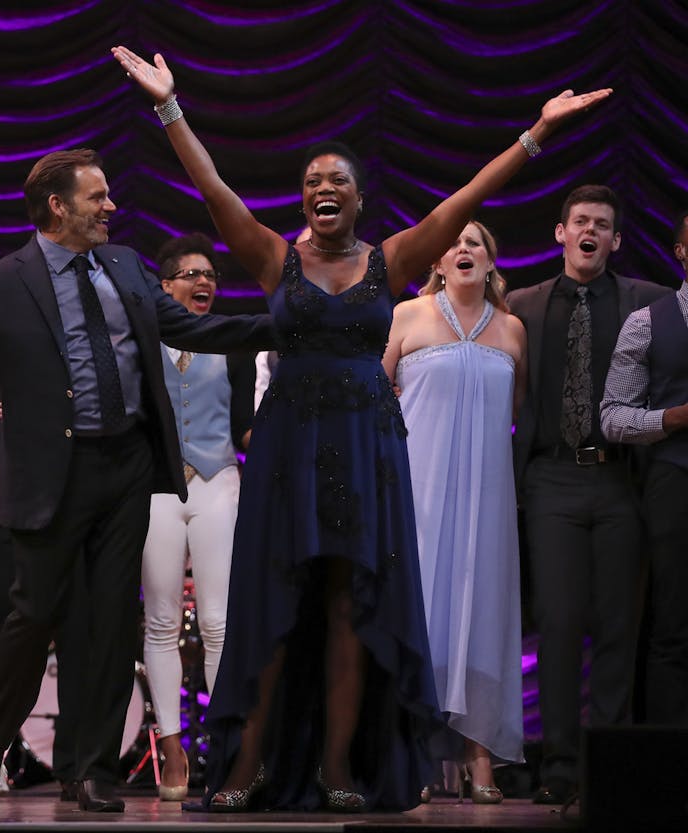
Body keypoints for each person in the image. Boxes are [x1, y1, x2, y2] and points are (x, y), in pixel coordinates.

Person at [112, 44, 609, 811]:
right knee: (275, 601)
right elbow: (213, 189)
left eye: (336, 180)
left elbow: (465, 195)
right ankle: (247, 761)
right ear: (303, 199)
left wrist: (536, 132)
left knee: (351, 602)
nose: (322, 187)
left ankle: (339, 762)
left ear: (358, 197)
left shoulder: (391, 260)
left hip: (367, 448)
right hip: (288, 450)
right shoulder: (276, 259)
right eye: (311, 181)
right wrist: (169, 106)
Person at [0, 148, 276, 813]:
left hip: (125, 466)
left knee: (112, 623)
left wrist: (287, 326)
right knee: (30, 616)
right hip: (52, 473)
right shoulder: (3, 280)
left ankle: (93, 770)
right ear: (58, 205)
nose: (111, 207)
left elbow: (187, 326)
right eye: (98, 197)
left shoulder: (126, 265)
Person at [506, 185, 670, 805]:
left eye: (602, 224)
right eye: (581, 222)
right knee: (558, 623)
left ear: (616, 240)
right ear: (560, 232)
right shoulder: (522, 304)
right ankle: (561, 767)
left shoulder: (648, 304)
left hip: (620, 479)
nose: (590, 232)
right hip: (550, 477)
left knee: (617, 627)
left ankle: (611, 767)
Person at [383, 221, 527, 802]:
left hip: (486, 496)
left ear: (491, 263)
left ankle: (479, 753)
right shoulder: (405, 317)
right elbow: (375, 392)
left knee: (483, 613)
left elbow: (513, 409)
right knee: (421, 610)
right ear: (436, 262)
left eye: (477, 243)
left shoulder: (514, 330)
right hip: (418, 486)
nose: (463, 248)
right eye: (455, 242)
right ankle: (409, 751)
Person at [140, 233, 254, 801]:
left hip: (217, 482)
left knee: (219, 621)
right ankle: (174, 749)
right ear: (164, 287)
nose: (203, 281)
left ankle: (229, 749)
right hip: (157, 487)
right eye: (189, 274)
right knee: (160, 622)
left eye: (209, 274)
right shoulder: (142, 342)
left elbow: (246, 422)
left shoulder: (232, 344)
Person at [599, 209, 688, 727]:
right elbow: (612, 417)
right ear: (680, 252)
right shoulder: (648, 321)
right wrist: (673, 418)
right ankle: (672, 767)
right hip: (675, 480)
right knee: (674, 623)